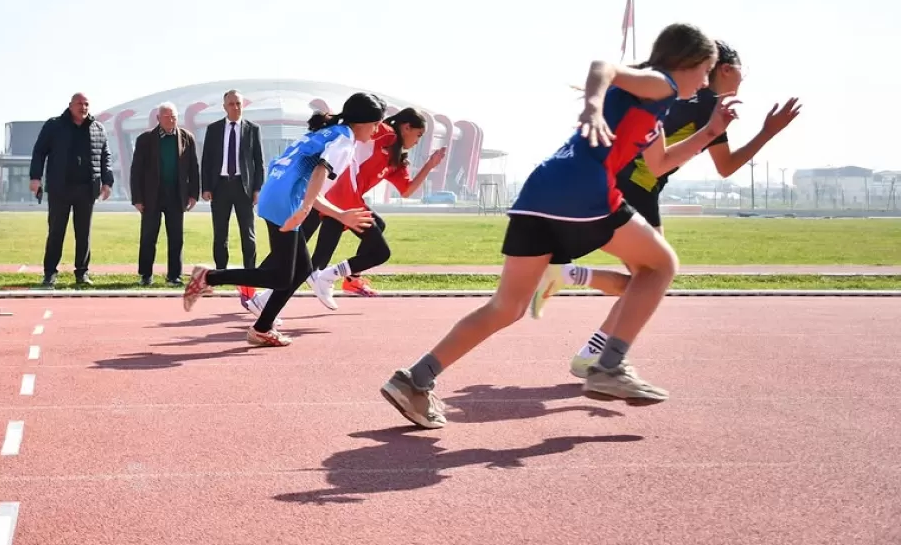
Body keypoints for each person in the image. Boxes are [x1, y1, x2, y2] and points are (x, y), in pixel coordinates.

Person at [381, 23, 736, 429]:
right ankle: (610, 365)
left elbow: (658, 164)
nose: (707, 81)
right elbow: (604, 66)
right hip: (583, 188)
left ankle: (415, 379)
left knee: (507, 307)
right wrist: (592, 107)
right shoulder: (661, 83)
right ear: (686, 62)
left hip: (539, 194)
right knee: (660, 265)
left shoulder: (656, 103)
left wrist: (710, 132)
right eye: (706, 70)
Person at [533, 41, 801, 378]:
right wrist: (767, 132)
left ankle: (590, 338)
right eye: (741, 73)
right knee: (651, 280)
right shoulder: (709, 103)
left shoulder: (678, 94)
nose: (742, 81)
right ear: (726, 69)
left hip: (620, 184)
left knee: (644, 283)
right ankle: (591, 340)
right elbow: (726, 166)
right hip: (636, 190)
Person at [180, 93, 385, 347]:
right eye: (375, 124)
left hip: (275, 194)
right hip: (285, 202)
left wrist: (325, 210)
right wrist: (313, 209)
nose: (376, 130)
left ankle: (262, 328)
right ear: (362, 122)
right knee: (280, 277)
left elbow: (311, 185)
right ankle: (208, 278)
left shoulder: (330, 132)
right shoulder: (344, 141)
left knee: (299, 270)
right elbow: (320, 173)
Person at [239, 108, 446, 318]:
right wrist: (342, 118)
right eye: (419, 135)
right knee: (308, 257)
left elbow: (407, 190)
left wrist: (429, 166)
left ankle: (264, 299)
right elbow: (359, 126)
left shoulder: (397, 160)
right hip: (336, 197)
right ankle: (326, 277)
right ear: (406, 127)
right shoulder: (383, 132)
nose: (418, 141)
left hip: (339, 201)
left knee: (303, 261)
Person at [29, 93, 115, 288]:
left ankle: (82, 273)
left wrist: (107, 182)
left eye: (86, 104)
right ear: (70, 105)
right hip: (61, 187)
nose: (83, 107)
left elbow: (105, 156)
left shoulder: (97, 128)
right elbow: (39, 151)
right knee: (56, 231)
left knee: (83, 233)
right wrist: (35, 178)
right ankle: (50, 273)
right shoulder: (54, 125)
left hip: (87, 188)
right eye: (79, 104)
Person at [130, 103, 200, 286]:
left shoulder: (187, 138)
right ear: (158, 118)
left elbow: (194, 168)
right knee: (148, 236)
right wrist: (137, 198)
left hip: (177, 195)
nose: (171, 120)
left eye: (174, 117)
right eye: (167, 117)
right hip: (151, 195)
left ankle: (174, 275)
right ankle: (146, 275)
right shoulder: (145, 139)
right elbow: (136, 170)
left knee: (176, 237)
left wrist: (194, 194)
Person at [200, 90, 266, 270]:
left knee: (248, 233)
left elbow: (259, 162)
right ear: (224, 107)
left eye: (238, 103)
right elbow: (206, 160)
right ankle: (221, 270)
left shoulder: (253, 129)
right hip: (219, 187)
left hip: (243, 187)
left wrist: (257, 189)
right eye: (231, 104)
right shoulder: (213, 129)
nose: (235, 107)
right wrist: (206, 187)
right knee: (220, 234)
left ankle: (250, 272)